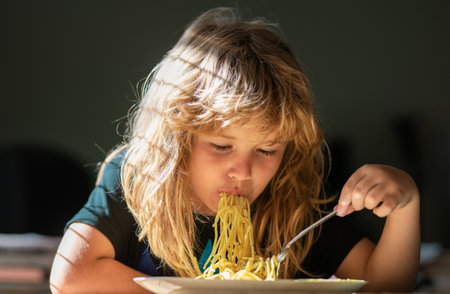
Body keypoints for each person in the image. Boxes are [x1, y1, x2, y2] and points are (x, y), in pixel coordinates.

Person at [49, 7, 420, 293]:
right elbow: (71, 278)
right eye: (221, 145)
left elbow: (383, 285)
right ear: (176, 137)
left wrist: (406, 207)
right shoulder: (137, 178)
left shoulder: (288, 201)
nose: (243, 171)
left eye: (267, 150)